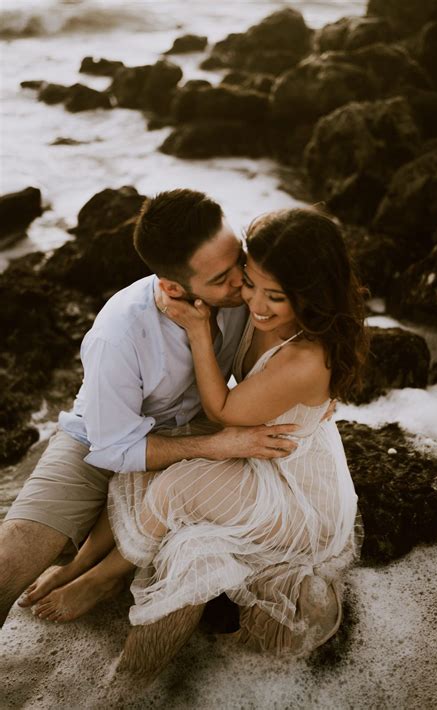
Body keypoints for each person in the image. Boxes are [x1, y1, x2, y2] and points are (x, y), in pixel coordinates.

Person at [25, 206, 368, 671]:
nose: (258, 304)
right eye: (249, 282)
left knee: (177, 491)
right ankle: (79, 564)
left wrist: (199, 330)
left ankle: (103, 580)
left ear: (312, 295)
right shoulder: (254, 309)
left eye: (277, 297)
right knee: (153, 459)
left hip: (297, 490)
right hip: (256, 449)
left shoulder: (306, 357)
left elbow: (221, 410)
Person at [0, 189, 300, 626]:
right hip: (103, 436)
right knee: (15, 553)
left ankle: (100, 573)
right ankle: (84, 560)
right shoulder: (119, 333)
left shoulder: (250, 288)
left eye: (240, 258)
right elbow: (115, 449)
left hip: (201, 424)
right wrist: (216, 446)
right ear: (173, 287)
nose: (241, 281)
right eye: (221, 279)